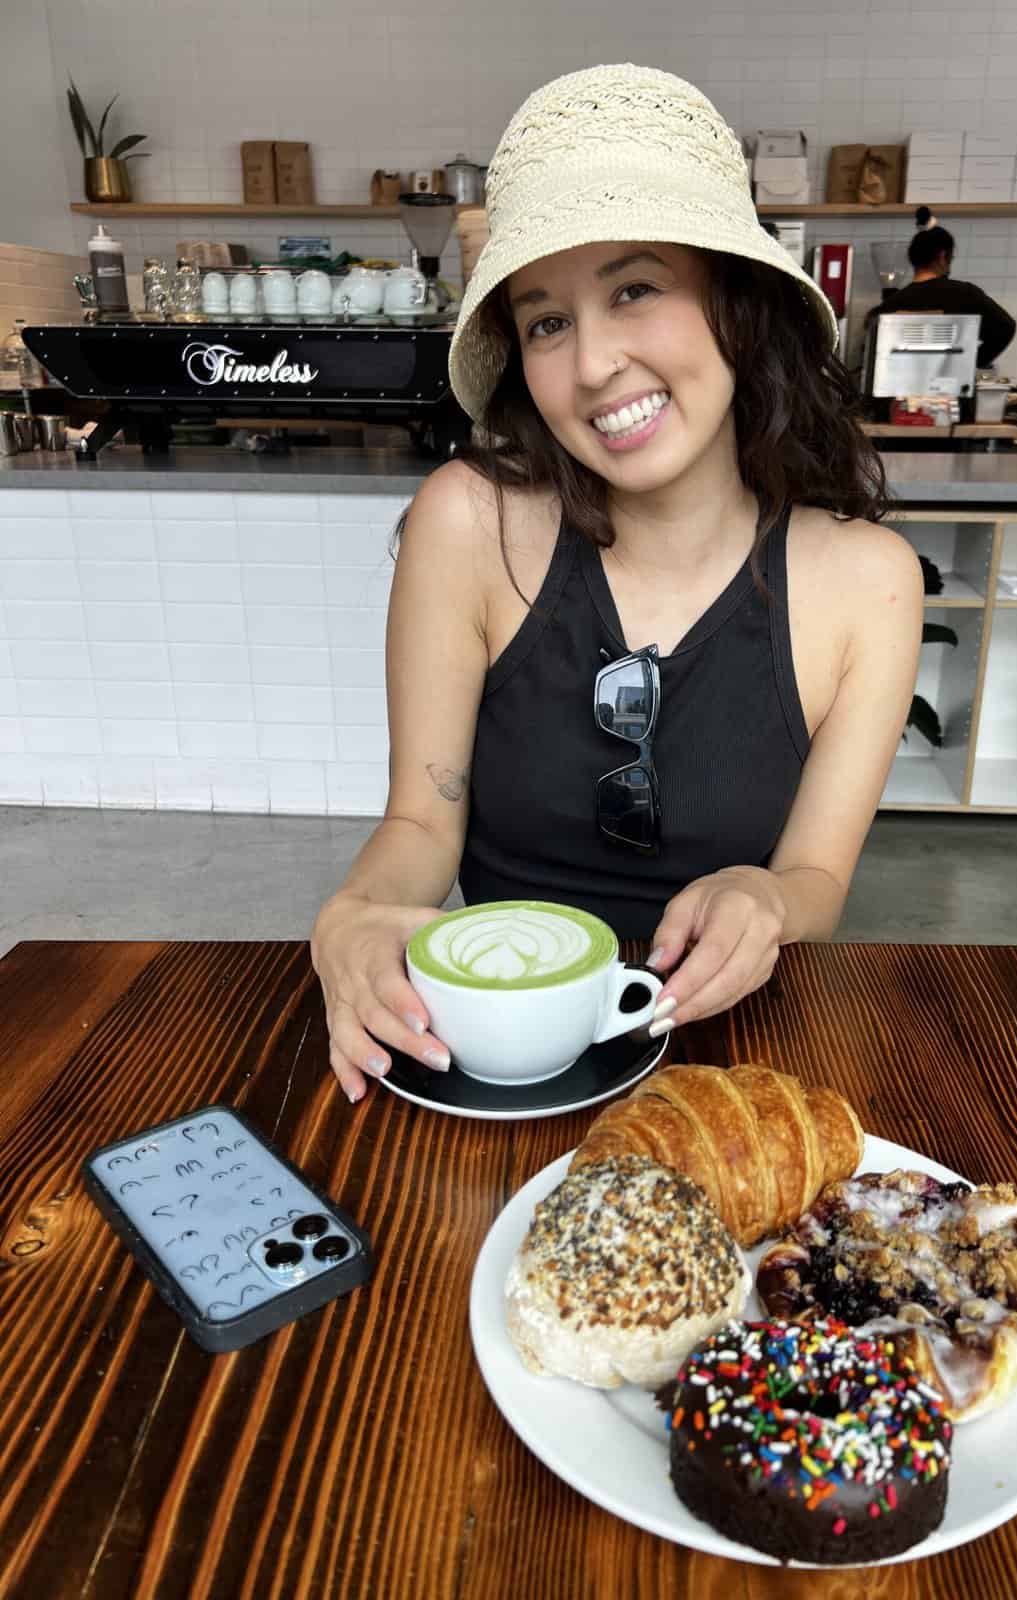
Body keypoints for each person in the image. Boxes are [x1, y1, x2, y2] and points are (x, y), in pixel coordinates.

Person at [311, 64, 924, 1104]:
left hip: (735, 1058)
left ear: (738, 305)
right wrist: (351, 915)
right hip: (505, 1053)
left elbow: (817, 880)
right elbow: (423, 823)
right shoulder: (468, 521)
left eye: (634, 289)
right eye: (546, 320)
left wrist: (766, 900)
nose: (592, 363)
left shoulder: (871, 582)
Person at [868, 208, 1017, 369]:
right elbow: (1006, 327)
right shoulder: (966, 295)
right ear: (942, 257)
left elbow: (873, 352)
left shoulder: (892, 303)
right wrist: (970, 363)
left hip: (896, 390)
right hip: (953, 389)